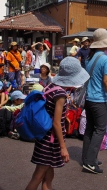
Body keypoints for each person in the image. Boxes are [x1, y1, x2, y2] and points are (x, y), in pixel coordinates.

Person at [26, 57, 90, 190]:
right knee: (38, 176)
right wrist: (63, 147)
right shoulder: (60, 94)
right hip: (50, 140)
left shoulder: (50, 86)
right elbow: (56, 122)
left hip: (44, 137)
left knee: (48, 175)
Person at [82, 29, 107, 174]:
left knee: (90, 128)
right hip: (98, 99)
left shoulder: (89, 58)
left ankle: (88, 158)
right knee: (100, 129)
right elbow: (106, 81)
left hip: (88, 98)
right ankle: (90, 162)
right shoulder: (106, 59)